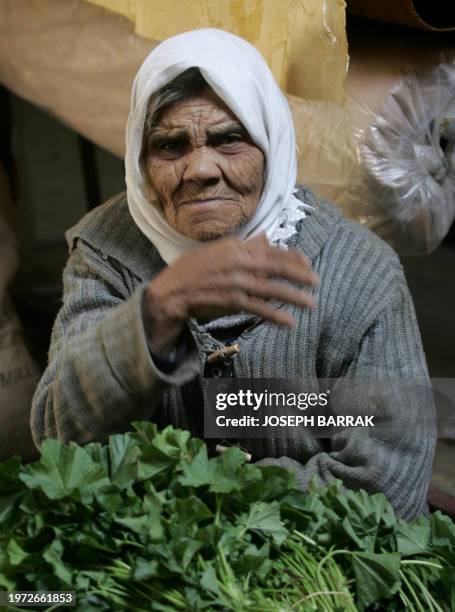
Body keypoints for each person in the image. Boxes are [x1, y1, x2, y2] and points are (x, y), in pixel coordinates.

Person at [31, 29, 435, 520]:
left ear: (272, 143)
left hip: (304, 568)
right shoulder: (106, 253)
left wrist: (217, 494)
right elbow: (60, 437)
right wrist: (157, 309)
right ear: (140, 163)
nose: (201, 168)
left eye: (230, 139)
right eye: (170, 146)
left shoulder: (357, 271)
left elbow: (387, 488)